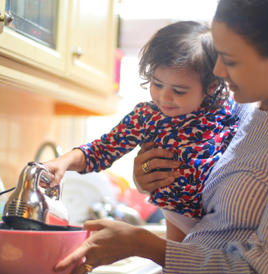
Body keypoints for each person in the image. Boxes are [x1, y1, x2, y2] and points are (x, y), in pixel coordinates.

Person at [52, 0, 268, 274]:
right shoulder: (242, 110)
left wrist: (142, 243)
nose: (217, 72)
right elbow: (210, 208)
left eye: (230, 60)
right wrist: (149, 179)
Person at [44, 21, 238, 242]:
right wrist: (64, 162)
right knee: (177, 267)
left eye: (178, 90)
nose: (164, 97)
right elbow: (101, 150)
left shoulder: (225, 110)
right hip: (177, 216)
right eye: (157, 84)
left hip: (221, 218)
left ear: (211, 86)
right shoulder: (147, 117)